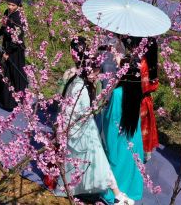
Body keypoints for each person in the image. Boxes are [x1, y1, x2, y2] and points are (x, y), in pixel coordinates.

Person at [55, 37, 129, 204]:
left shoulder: (79, 80)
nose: (98, 76)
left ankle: (115, 193)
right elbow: (69, 111)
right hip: (78, 128)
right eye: (96, 73)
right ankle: (116, 194)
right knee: (94, 160)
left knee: (93, 160)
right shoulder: (78, 87)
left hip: (83, 127)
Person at [101, 58, 144, 204]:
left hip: (119, 137)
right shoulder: (138, 92)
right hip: (133, 136)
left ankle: (116, 193)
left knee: (116, 163)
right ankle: (130, 192)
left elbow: (111, 119)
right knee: (131, 164)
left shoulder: (118, 93)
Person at [121, 36, 160, 159]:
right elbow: (154, 85)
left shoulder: (140, 63)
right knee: (144, 130)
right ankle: (144, 154)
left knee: (136, 129)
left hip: (135, 99)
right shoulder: (152, 63)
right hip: (146, 100)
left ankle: (134, 154)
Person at [0, 0, 28, 112]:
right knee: (2, 69)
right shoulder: (6, 12)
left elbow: (17, 38)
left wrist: (8, 53)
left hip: (15, 49)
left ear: (18, 5)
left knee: (12, 73)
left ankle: (10, 101)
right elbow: (3, 27)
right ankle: (0, 95)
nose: (10, 6)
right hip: (6, 44)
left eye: (13, 5)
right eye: (9, 4)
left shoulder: (19, 18)